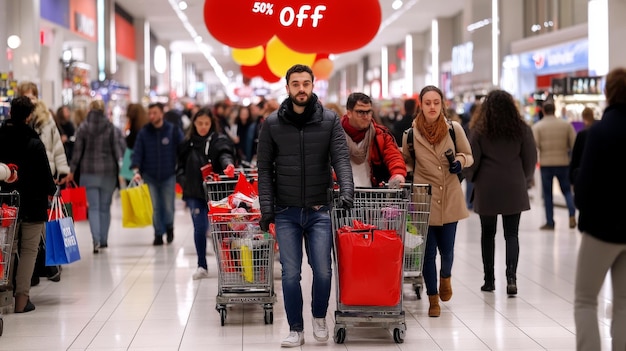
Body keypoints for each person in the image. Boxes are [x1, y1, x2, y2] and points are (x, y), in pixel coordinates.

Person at [257, 64, 354, 347]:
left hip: (319, 209)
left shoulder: (329, 120)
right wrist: (266, 209)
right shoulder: (272, 123)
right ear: (287, 88)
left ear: (313, 86)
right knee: (291, 272)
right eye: (295, 83)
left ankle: (319, 317)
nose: (301, 88)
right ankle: (295, 329)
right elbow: (264, 169)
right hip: (285, 210)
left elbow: (341, 160)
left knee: (323, 269)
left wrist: (346, 190)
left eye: (306, 83)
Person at [401, 85, 473, 317]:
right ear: (420, 105)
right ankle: (433, 299)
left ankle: (446, 278)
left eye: (436, 102)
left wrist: (460, 161)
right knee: (428, 252)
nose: (432, 107)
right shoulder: (410, 135)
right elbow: (408, 162)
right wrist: (404, 173)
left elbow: (469, 155)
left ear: (442, 104)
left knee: (448, 249)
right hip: (425, 198)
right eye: (427, 102)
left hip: (450, 194)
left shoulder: (454, 129)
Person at [463, 90, 537, 295]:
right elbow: (530, 159)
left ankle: (489, 280)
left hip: (487, 188)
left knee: (488, 234)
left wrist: (471, 179)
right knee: (512, 234)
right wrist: (524, 179)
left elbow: (472, 161)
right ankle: (511, 278)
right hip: (514, 186)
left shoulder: (479, 130)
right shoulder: (522, 129)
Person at [573, 67, 626, 351]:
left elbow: (584, 186)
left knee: (585, 300)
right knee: (624, 304)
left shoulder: (599, 132)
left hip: (601, 229)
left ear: (607, 93)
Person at [0, 96, 56, 313]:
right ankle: (22, 299)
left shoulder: (1, 137)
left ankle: (5, 291)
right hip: (33, 204)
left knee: (8, 248)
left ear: (11, 113)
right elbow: (45, 176)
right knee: (29, 249)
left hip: (6, 204)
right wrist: (52, 193)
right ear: (30, 116)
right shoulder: (34, 142)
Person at [177, 108, 236, 280]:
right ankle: (201, 264)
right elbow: (179, 165)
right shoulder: (186, 144)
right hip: (194, 191)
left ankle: (229, 265)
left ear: (211, 124)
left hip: (217, 192)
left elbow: (225, 153)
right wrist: (183, 180)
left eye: (206, 123)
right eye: (199, 123)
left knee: (224, 230)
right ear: (194, 123)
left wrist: (228, 165)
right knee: (200, 228)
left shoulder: (218, 140)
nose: (203, 127)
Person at [66, 100, 125, 253]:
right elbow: (117, 150)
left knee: (94, 207)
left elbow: (77, 153)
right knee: (105, 207)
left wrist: (72, 171)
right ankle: (104, 240)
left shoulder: (83, 128)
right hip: (108, 172)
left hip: (88, 172)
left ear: (90, 110)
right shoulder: (111, 127)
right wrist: (122, 170)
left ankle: (96, 240)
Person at [131, 102, 184, 245]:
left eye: (154, 113)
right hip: (150, 175)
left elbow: (183, 149)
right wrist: (136, 169)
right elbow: (138, 152)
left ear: (161, 113)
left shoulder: (172, 130)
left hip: (168, 175)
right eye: (150, 113)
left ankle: (169, 226)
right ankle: (158, 233)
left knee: (167, 206)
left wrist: (182, 167)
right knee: (154, 206)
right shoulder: (144, 132)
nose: (151, 116)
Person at [340, 92, 406, 188]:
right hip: (342, 193)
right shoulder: (335, 135)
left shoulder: (380, 135)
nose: (366, 116)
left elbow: (393, 156)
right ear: (349, 113)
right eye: (360, 112)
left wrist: (398, 174)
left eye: (369, 112)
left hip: (371, 195)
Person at [531, 101, 577, 230]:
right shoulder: (566, 125)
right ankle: (572, 213)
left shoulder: (538, 126)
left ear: (543, 111)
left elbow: (535, 144)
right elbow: (574, 142)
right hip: (563, 162)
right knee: (567, 190)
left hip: (546, 163)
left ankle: (550, 222)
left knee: (547, 194)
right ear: (555, 110)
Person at [569, 107, 597, 184]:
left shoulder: (582, 134)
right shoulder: (601, 129)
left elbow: (575, 157)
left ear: (583, 117)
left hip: (584, 171)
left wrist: (572, 177)